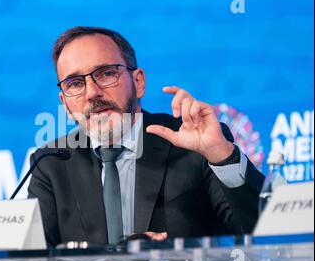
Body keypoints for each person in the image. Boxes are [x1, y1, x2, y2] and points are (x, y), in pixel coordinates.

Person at [28, 26, 264, 247]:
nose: (92, 93)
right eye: (75, 83)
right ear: (66, 105)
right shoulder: (51, 163)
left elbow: (260, 228)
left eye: (106, 73)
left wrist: (220, 155)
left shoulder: (193, 142)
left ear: (138, 82)